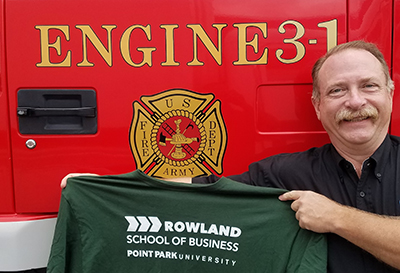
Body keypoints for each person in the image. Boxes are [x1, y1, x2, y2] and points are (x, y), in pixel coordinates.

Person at [61, 41, 400, 272]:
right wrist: (102, 190)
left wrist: (335, 217)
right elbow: (198, 195)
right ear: (318, 105)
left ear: (389, 92)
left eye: (368, 86)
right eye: (337, 90)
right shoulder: (284, 173)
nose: (354, 101)